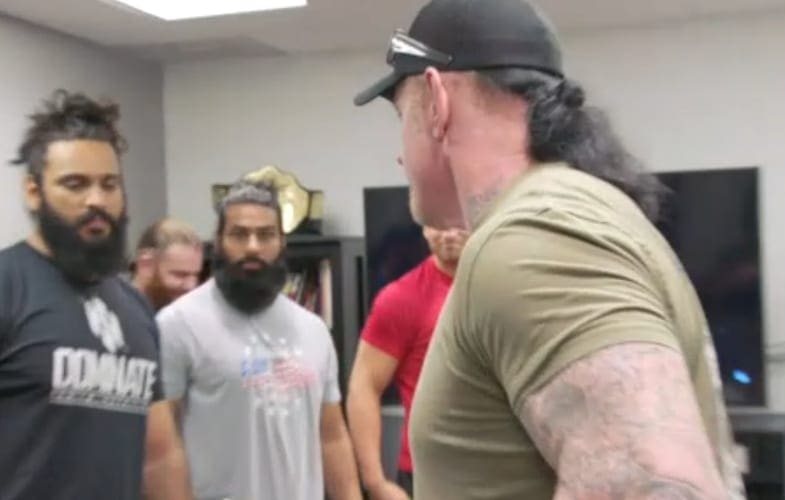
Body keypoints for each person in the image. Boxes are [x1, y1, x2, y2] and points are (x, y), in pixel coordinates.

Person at [354, 0, 745, 499]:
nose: (398, 155)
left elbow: (656, 484)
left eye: (402, 116)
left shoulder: (535, 235)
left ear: (436, 102)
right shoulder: (566, 211)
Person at [0, 89, 191, 499]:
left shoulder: (134, 307)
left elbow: (159, 457)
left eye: (109, 184)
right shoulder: (8, 285)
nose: (97, 201)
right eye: (75, 184)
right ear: (33, 192)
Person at [157, 178, 362, 500]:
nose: (253, 247)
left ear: (281, 243)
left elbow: (332, 437)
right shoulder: (177, 325)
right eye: (239, 234)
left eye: (265, 235)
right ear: (218, 242)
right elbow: (160, 450)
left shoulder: (313, 330)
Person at [347, 226, 467, 499]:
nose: (449, 234)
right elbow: (364, 385)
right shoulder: (402, 298)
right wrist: (375, 482)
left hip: (506, 470)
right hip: (429, 475)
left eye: (458, 222)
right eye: (438, 223)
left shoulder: (507, 288)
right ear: (424, 228)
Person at [131, 217, 204, 311]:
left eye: (196, 275)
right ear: (146, 265)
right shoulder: (117, 315)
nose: (191, 285)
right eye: (180, 275)